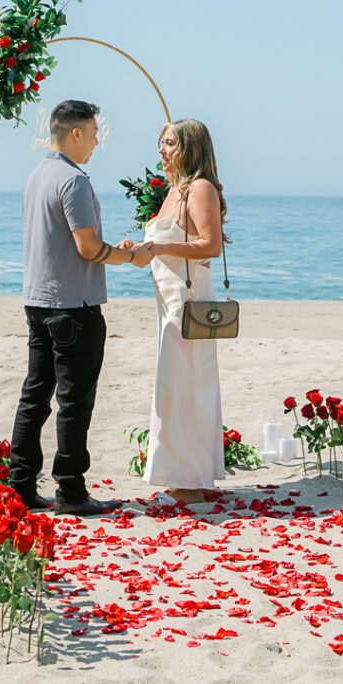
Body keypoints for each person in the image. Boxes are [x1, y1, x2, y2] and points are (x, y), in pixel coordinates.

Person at [9, 100, 154, 517]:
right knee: (74, 401)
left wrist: (117, 250)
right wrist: (133, 258)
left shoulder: (36, 176)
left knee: (35, 396)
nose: (95, 142)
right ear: (75, 133)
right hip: (73, 304)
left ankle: (20, 485)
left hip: (37, 300)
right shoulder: (73, 180)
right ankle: (70, 491)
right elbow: (88, 248)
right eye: (93, 134)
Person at [128, 118, 228, 505]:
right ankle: (193, 477)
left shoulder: (200, 188)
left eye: (169, 143)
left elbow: (209, 246)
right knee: (181, 387)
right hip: (169, 300)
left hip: (189, 302)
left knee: (181, 387)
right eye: (161, 142)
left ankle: (187, 483)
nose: (161, 150)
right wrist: (139, 246)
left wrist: (159, 249)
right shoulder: (175, 191)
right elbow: (164, 242)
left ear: (190, 146)